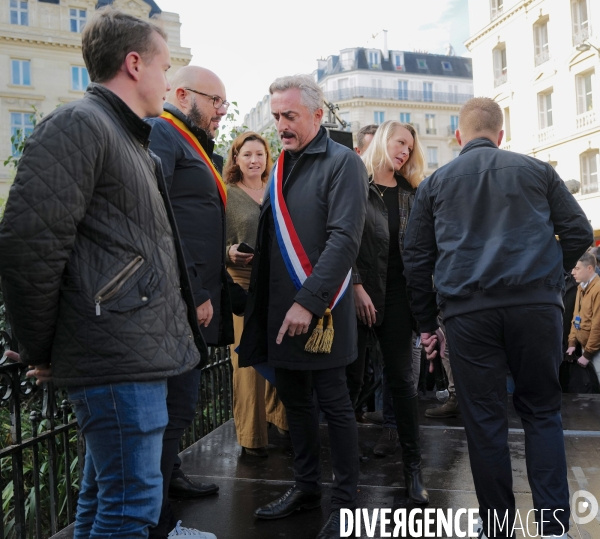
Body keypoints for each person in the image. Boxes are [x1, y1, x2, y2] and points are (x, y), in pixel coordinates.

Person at [0, 8, 205, 539]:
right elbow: (30, 245)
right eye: (164, 67)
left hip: (128, 350)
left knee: (101, 502)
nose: (169, 80)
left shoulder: (131, 139)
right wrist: (42, 348)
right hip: (115, 356)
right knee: (130, 508)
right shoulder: (79, 124)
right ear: (135, 64)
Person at [403, 97, 593, 539]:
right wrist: (547, 279)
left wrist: (427, 323)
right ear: (500, 135)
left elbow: (415, 257)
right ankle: (552, 529)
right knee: (543, 412)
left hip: (469, 313)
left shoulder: (436, 184)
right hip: (536, 308)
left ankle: (498, 528)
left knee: (485, 421)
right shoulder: (537, 171)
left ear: (458, 137)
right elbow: (580, 232)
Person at [238, 75, 368, 539]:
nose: (281, 126)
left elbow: (344, 239)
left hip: (321, 312)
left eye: (289, 116)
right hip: (280, 310)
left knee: (335, 407)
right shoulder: (280, 166)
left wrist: (309, 302)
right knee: (295, 404)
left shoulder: (343, 164)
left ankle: (347, 502)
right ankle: (307, 487)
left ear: (317, 113)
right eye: (275, 117)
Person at [145, 65, 247, 539]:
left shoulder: (188, 139)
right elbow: (161, 221)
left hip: (194, 299)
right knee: (175, 407)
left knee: (179, 409)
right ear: (182, 93)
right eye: (215, 102)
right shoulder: (165, 134)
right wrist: (197, 293)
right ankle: (160, 519)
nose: (222, 112)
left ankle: (171, 479)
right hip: (180, 303)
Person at [350, 120, 428, 503]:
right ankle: (342, 473)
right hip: (358, 296)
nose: (404, 152)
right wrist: (355, 285)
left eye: (410, 148)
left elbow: (421, 251)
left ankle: (413, 470)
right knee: (349, 384)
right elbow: (338, 238)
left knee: (402, 382)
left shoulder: (412, 193)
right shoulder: (355, 186)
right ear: (383, 140)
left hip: (399, 298)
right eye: (400, 143)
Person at [224, 132, 288, 457]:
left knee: (280, 354)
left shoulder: (277, 189)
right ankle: (252, 439)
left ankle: (282, 421)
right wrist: (228, 252)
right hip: (242, 283)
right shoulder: (226, 194)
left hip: (277, 283)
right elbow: (208, 243)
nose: (254, 160)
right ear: (235, 158)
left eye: (259, 154)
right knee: (247, 363)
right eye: (246, 154)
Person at [567, 252, 600, 381]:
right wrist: (572, 342)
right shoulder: (581, 287)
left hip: (595, 350)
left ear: (590, 268)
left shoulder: (597, 289)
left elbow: (597, 325)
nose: (573, 272)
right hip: (586, 347)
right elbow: (576, 317)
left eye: (577, 268)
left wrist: (587, 354)